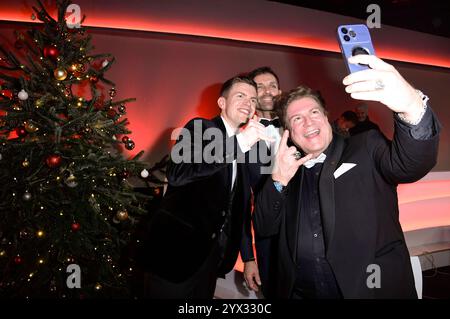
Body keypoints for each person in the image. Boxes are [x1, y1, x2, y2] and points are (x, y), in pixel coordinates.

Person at [253, 55, 440, 299]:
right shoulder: (288, 168)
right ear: (289, 132)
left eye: (314, 112)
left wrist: (411, 106)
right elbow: (265, 226)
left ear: (326, 116)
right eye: (297, 119)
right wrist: (278, 180)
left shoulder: (365, 145)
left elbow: (411, 165)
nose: (308, 122)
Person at [140, 75, 273, 298]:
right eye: (240, 96)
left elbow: (238, 211)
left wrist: (249, 258)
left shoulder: (245, 149)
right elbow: (177, 175)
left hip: (212, 262)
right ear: (222, 103)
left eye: (252, 100)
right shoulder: (199, 127)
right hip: (174, 257)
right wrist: (239, 143)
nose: (248, 103)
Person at [241, 67, 282, 298]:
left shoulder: (302, 127)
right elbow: (241, 202)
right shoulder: (238, 139)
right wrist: (248, 257)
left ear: (280, 91)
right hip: (269, 237)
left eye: (272, 85)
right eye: (260, 86)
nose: (267, 91)